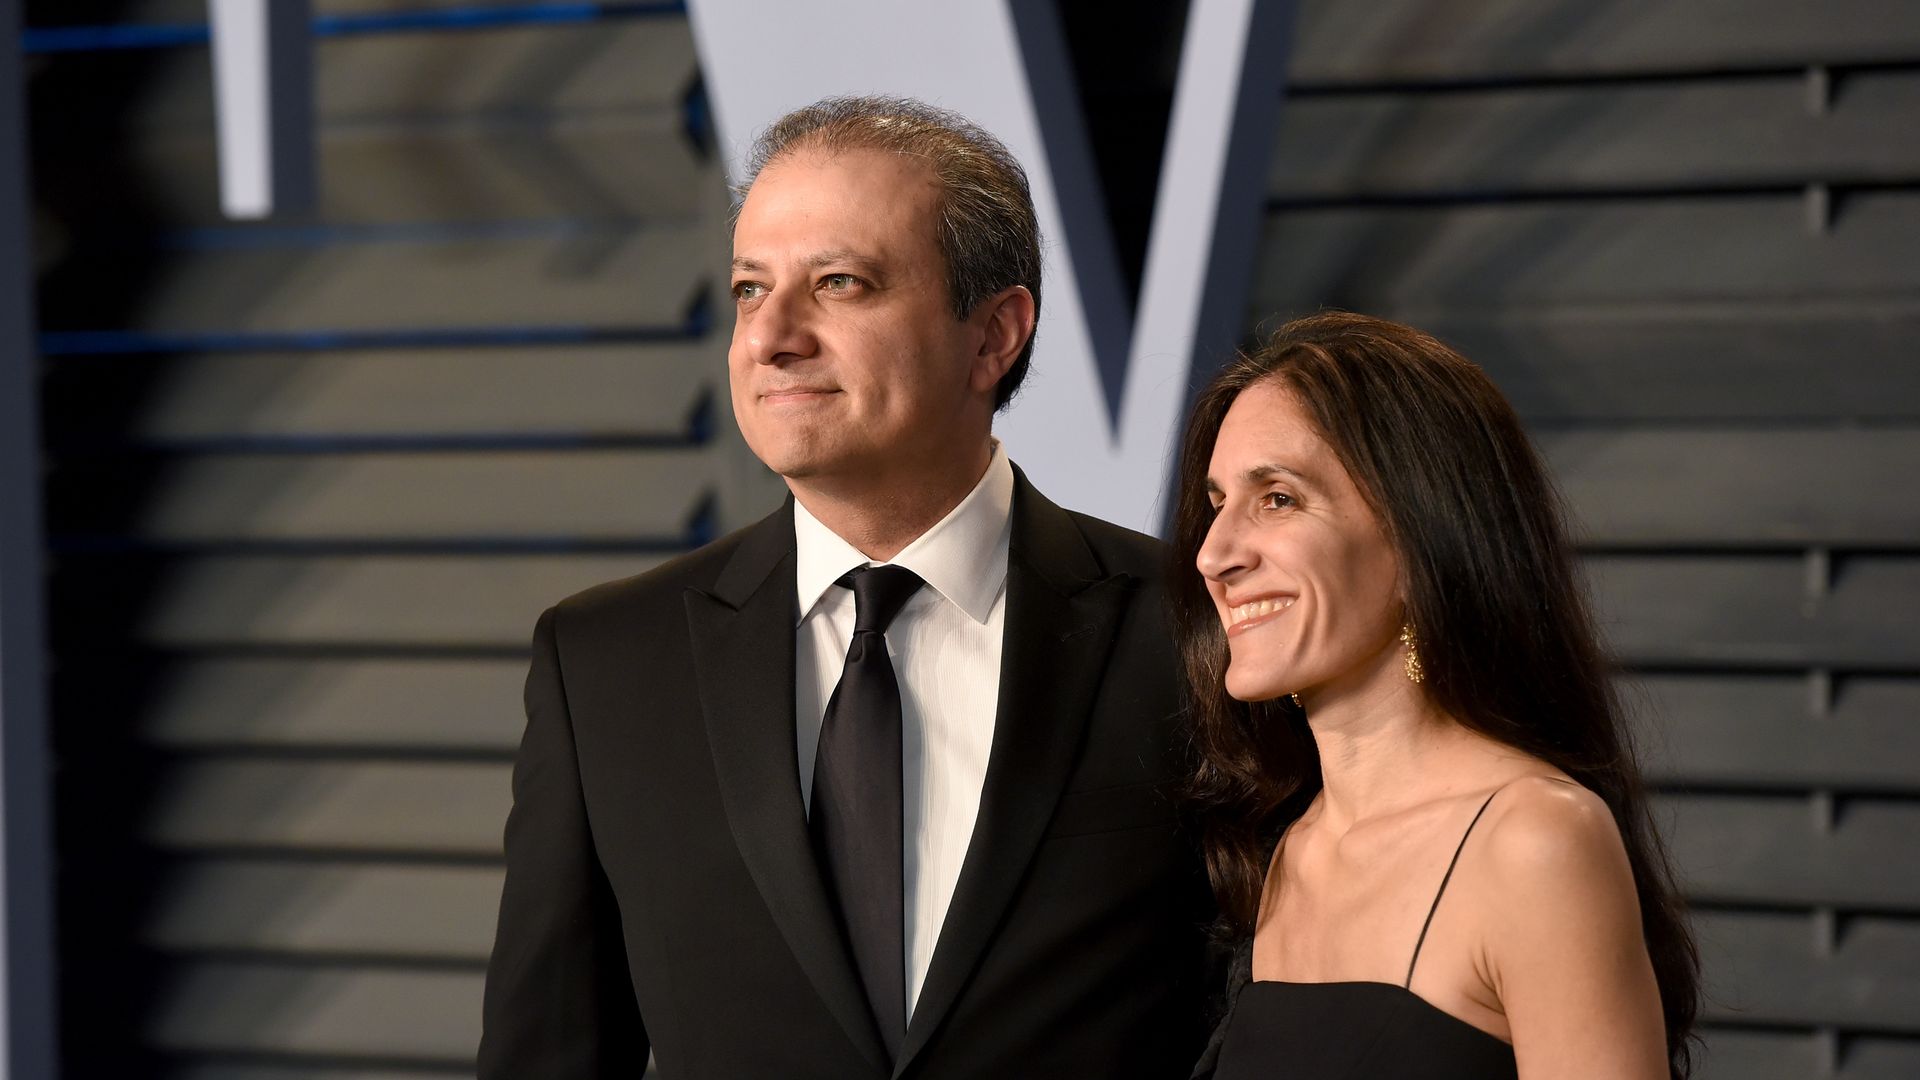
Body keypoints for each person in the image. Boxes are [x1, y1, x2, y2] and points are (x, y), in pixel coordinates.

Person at [477, 96, 1215, 1080]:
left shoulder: (1190, 627)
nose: (771, 336)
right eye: (749, 289)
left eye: (838, 282)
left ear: (994, 336)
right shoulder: (604, 662)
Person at [1169, 312, 1700, 1078]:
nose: (1214, 554)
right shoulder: (1287, 850)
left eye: (1277, 498)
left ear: (1418, 541)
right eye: (1217, 503)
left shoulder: (1534, 842)